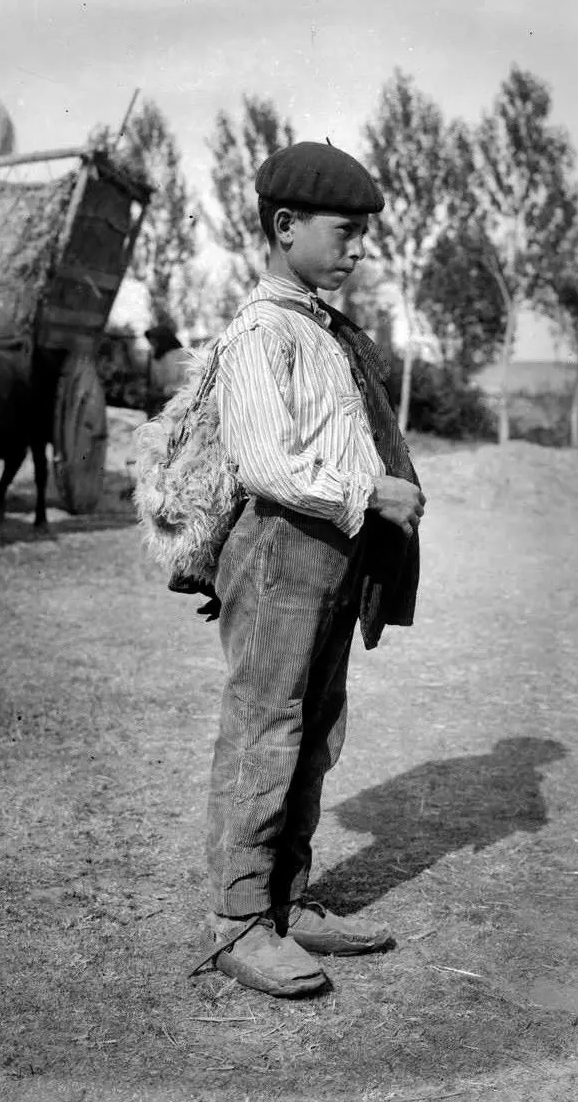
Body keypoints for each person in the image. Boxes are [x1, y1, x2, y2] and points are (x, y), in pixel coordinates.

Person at [193, 142, 426, 998]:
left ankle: (287, 900)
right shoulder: (262, 331)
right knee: (266, 725)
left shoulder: (320, 329)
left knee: (316, 725)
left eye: (364, 233)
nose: (359, 248)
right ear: (285, 227)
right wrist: (372, 489)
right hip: (281, 550)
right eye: (346, 231)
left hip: (330, 549)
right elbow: (268, 465)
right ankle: (240, 921)